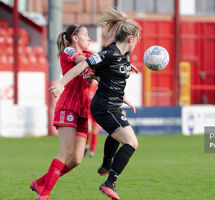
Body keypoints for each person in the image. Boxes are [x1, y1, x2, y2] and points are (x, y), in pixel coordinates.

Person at [49, 8, 140, 200]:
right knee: (131, 142)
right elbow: (83, 64)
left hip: (113, 105)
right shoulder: (109, 53)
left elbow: (110, 80)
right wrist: (61, 84)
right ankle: (109, 183)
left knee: (116, 136)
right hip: (103, 106)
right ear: (131, 38)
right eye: (137, 40)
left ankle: (106, 166)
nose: (138, 44)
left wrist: (126, 99)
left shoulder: (125, 57)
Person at [30, 24, 93, 200]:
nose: (89, 38)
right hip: (68, 107)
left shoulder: (89, 56)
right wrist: (96, 61)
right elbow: (84, 62)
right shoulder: (69, 52)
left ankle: (40, 182)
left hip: (82, 110)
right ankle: (44, 194)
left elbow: (97, 67)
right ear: (74, 38)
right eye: (86, 35)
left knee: (76, 160)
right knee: (65, 153)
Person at [85, 79, 100, 157]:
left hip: (97, 111)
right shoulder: (86, 84)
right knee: (88, 129)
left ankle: (92, 151)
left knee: (95, 132)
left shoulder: (99, 86)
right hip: (88, 111)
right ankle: (86, 145)